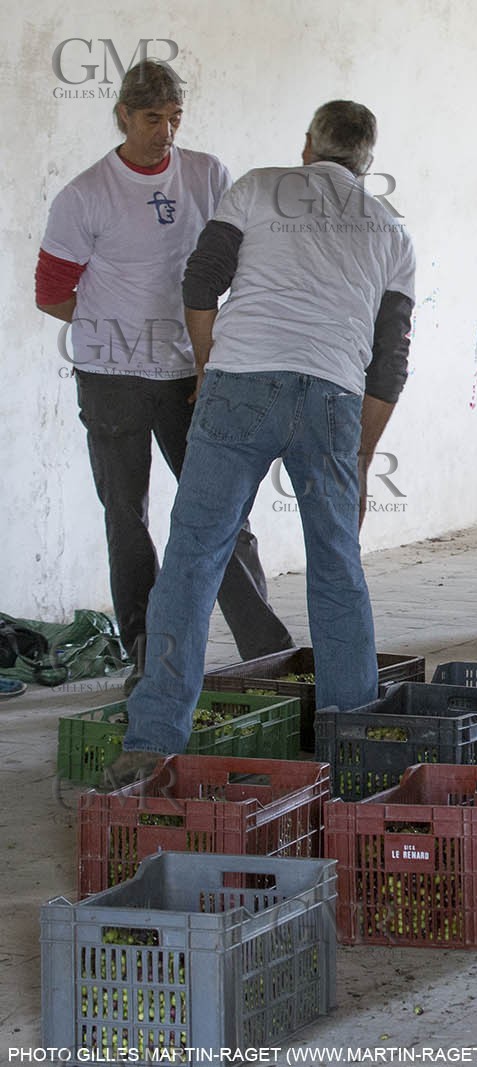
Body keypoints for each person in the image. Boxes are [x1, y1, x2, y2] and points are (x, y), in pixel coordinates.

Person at [102, 100, 416, 787]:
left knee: (192, 558)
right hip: (332, 396)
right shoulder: (391, 229)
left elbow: (200, 280)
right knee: (337, 568)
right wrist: (358, 461)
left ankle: (151, 742)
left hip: (241, 384)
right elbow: (389, 364)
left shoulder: (257, 186)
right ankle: (351, 749)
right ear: (367, 161)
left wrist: (210, 364)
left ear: (308, 146)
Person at [35, 60, 293, 690]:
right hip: (112, 381)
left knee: (221, 508)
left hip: (193, 374)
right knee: (127, 517)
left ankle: (266, 651)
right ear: (123, 114)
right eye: (153, 118)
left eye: (175, 117)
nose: (165, 132)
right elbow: (51, 293)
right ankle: (150, 661)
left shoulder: (209, 175)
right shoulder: (84, 195)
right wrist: (115, 330)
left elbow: (239, 264)